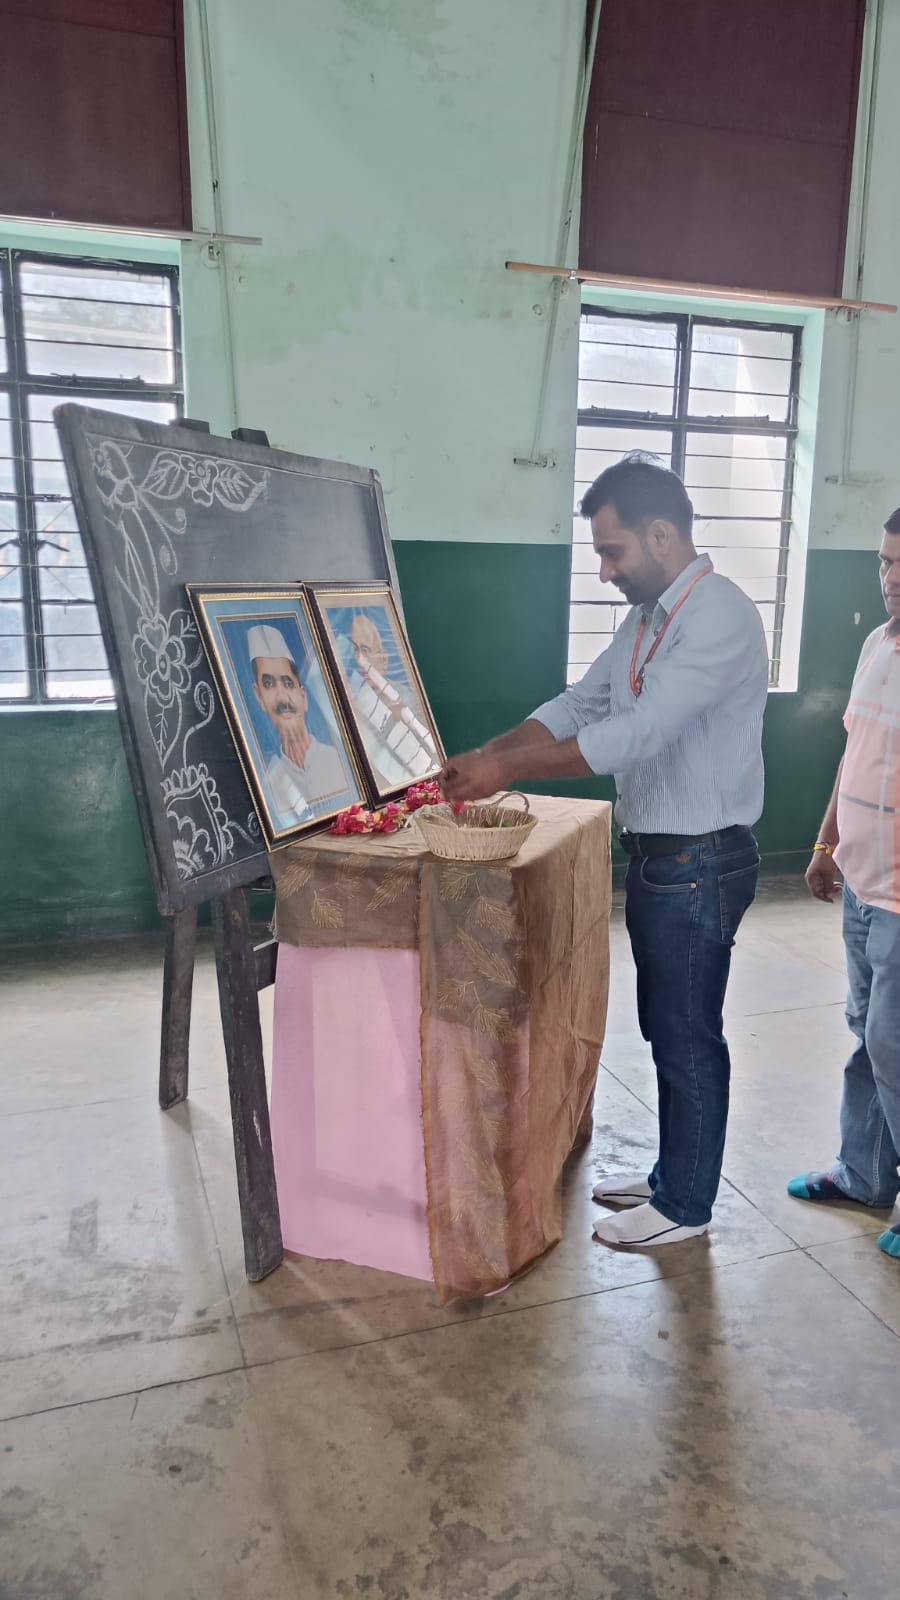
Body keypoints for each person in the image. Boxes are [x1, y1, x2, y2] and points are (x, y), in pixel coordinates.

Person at [439, 454, 768, 1249]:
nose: (605, 570)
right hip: (665, 861)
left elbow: (639, 734)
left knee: (687, 1034)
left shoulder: (719, 616)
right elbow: (580, 705)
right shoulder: (648, 620)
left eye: (612, 551)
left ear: (661, 534)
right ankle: (671, 1175)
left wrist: (507, 771)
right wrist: (491, 752)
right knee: (667, 1027)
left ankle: (685, 1206)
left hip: (701, 862)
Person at [787, 510, 900, 1260]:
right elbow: (854, 753)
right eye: (886, 562)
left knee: (894, 1044)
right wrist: (827, 843)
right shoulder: (875, 644)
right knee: (868, 1035)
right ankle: (864, 1174)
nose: (892, 578)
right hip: (860, 883)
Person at [248, 623, 346, 821]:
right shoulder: (268, 782)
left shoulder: (341, 763)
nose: (282, 697)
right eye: (269, 684)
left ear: (303, 697)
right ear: (259, 697)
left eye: (288, 683)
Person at [335, 610, 437, 789]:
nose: (359, 660)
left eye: (365, 651)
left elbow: (430, 756)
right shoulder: (345, 707)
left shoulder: (405, 698)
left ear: (384, 658)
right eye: (354, 651)